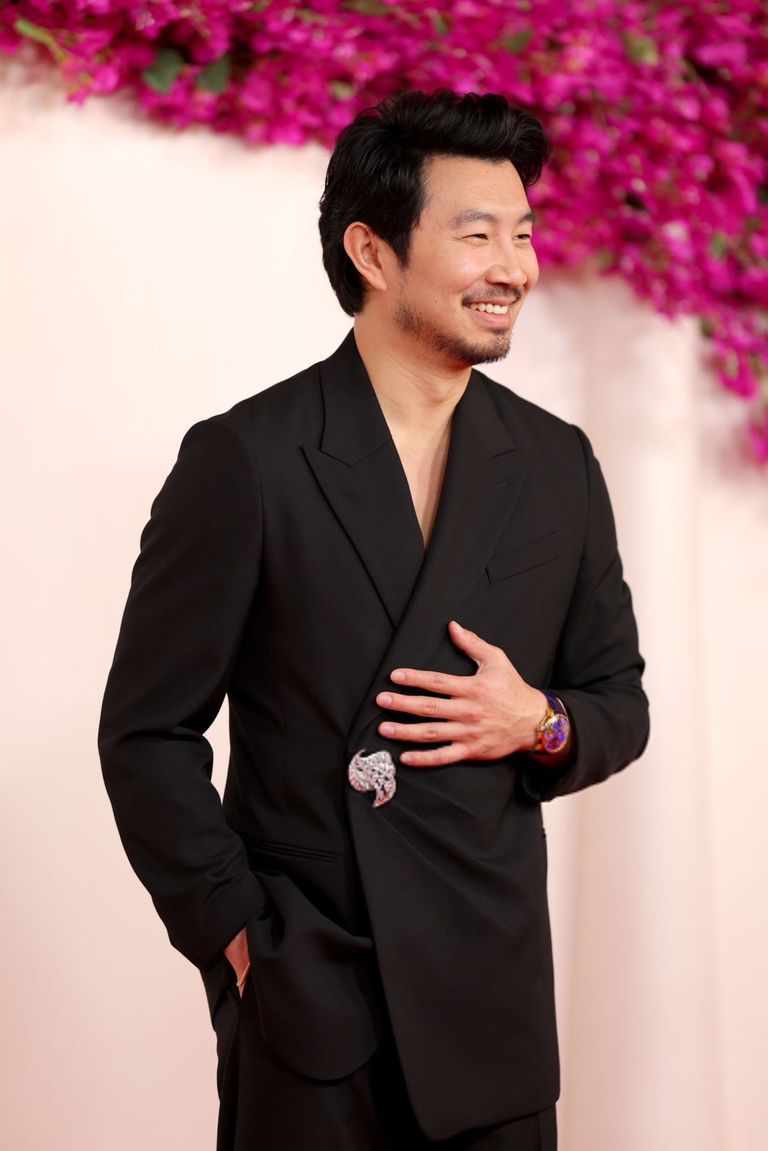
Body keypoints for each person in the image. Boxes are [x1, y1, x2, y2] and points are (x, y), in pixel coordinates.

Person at [98, 89, 649, 1151]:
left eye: (524, 233)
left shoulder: (556, 463)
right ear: (372, 251)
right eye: (477, 235)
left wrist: (539, 721)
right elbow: (146, 732)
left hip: (490, 1001)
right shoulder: (247, 459)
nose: (514, 268)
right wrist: (242, 937)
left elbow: (617, 700)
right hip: (311, 1000)